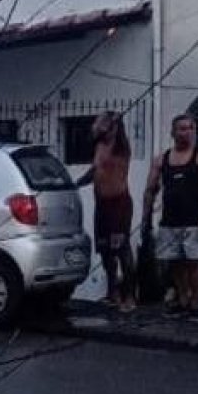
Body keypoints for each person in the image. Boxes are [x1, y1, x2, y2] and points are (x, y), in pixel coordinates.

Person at [143, 114, 198, 321]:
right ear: (173, 132)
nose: (186, 132)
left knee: (194, 263)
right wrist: (146, 217)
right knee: (175, 262)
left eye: (189, 128)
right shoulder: (162, 160)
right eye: (181, 129)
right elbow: (150, 189)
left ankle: (195, 303)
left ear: (194, 131)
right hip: (170, 221)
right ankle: (183, 301)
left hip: (196, 221)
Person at [77, 111, 136, 311]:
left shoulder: (121, 147)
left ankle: (130, 295)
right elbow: (95, 171)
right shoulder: (99, 146)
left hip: (119, 204)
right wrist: (76, 183)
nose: (98, 125)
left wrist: (114, 122)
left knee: (122, 250)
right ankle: (113, 293)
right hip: (101, 204)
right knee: (105, 252)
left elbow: (116, 132)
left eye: (103, 123)